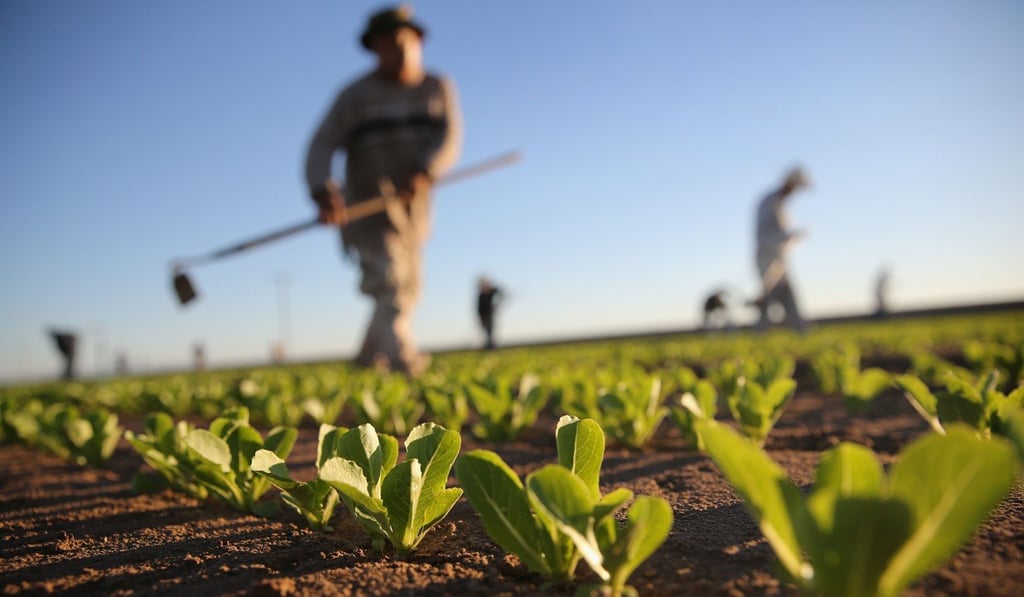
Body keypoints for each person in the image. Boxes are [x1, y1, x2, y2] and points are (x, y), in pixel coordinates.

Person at [304, 5, 462, 377]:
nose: (399, 51)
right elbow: (322, 144)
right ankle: (403, 360)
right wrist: (323, 189)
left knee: (406, 285)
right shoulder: (354, 96)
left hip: (414, 211)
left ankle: (365, 361)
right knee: (390, 281)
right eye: (389, 44)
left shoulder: (437, 88)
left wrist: (426, 168)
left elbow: (449, 137)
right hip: (367, 207)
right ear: (374, 49)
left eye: (405, 42)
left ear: (419, 42)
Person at [752, 168, 810, 332]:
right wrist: (792, 236)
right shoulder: (770, 202)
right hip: (767, 258)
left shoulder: (779, 203)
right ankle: (760, 334)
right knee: (769, 296)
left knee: (788, 295)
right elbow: (768, 233)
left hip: (779, 259)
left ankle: (800, 330)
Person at [476, 276, 503, 349]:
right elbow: (479, 309)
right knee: (487, 332)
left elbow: (500, 292)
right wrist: (481, 318)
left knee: (490, 331)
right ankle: (489, 345)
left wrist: (497, 304)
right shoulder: (481, 295)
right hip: (484, 316)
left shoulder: (491, 291)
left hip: (489, 315)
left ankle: (490, 346)